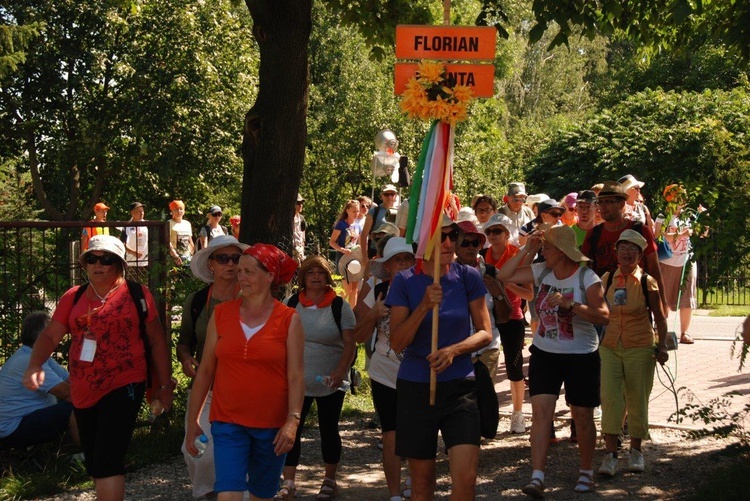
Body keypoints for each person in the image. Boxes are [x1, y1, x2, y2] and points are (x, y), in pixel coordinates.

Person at [23, 235, 173, 500]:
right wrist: (35, 364)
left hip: (125, 382)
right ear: (85, 264)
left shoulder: (137, 294)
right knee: (94, 461)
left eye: (107, 260)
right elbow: (49, 336)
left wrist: (163, 386)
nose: (98, 265)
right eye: (92, 259)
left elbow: (158, 340)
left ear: (119, 264)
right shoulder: (74, 296)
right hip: (83, 390)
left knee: (107, 462)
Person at [495, 225, 609, 497]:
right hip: (545, 353)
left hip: (581, 355)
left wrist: (572, 306)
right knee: (541, 413)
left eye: (546, 247)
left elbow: (604, 315)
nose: (543, 251)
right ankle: (537, 475)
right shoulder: (542, 269)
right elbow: (503, 274)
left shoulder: (587, 277)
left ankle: (586, 472)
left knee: (582, 415)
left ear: (562, 252)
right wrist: (527, 249)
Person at [185, 244, 303, 501]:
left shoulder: (288, 319)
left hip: (271, 427)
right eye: (240, 272)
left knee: (261, 494)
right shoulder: (221, 314)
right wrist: (192, 420)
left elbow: (295, 376)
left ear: (269, 275)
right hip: (227, 421)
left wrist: (292, 422)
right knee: (227, 492)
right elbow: (205, 370)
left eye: (249, 272)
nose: (241, 277)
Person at [387, 215, 492, 500]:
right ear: (424, 242)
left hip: (460, 387)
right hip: (416, 387)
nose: (449, 242)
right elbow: (397, 342)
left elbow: (485, 333)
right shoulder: (405, 282)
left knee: (467, 479)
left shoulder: (467, 276)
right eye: (441, 236)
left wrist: (454, 350)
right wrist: (423, 306)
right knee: (422, 484)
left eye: (452, 236)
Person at [276, 255, 356, 501]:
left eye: (321, 272)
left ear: (328, 277)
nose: (316, 276)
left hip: (331, 382)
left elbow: (350, 344)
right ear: (303, 277)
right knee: (292, 429)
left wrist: (340, 372)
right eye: (311, 272)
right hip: (296, 381)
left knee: (329, 429)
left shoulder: (339, 306)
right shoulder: (290, 303)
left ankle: (329, 480)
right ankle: (288, 482)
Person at [176, 235, 248, 500]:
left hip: (245, 389)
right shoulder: (196, 301)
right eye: (223, 258)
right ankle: (209, 494)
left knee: (240, 454)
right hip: (206, 389)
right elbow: (184, 343)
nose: (230, 264)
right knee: (198, 452)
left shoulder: (253, 298)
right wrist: (185, 360)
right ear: (211, 265)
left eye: (236, 258)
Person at [598, 230, 669, 477]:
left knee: (637, 397)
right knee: (610, 398)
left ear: (639, 255)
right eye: (623, 248)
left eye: (632, 249)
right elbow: (599, 310)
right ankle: (610, 455)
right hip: (609, 346)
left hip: (640, 345)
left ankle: (636, 451)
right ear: (616, 253)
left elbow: (659, 316)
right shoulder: (606, 278)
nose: (627, 253)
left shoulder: (648, 281)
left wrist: (662, 346)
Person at [352, 237, 415, 500]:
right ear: (387, 266)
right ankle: (394, 494)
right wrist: (373, 314)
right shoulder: (378, 291)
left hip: (417, 372)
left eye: (406, 259)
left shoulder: (425, 288)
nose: (402, 264)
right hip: (384, 372)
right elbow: (357, 334)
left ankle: (414, 480)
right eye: (396, 260)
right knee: (391, 434)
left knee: (416, 431)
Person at [470, 215, 533, 433]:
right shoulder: (482, 256)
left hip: (513, 317)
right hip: (489, 316)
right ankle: (487, 412)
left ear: (507, 233)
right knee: (487, 366)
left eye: (498, 231)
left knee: (514, 368)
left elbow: (529, 294)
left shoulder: (516, 255)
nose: (493, 235)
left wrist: (504, 283)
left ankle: (518, 414)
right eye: (489, 232)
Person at [581, 181, 667, 309]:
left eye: (608, 202)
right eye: (601, 202)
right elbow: (584, 269)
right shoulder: (593, 234)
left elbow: (654, 267)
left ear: (621, 204)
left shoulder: (640, 230)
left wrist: (661, 302)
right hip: (603, 303)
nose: (603, 207)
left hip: (637, 301)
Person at [0, 312, 79, 449]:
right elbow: (68, 394)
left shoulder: (37, 354)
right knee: (75, 407)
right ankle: (88, 454)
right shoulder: (28, 360)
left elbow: (69, 381)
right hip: (13, 429)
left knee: (79, 402)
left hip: (25, 418)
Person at [660, 206, 699, 344]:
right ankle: (661, 331)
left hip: (687, 261)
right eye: (677, 197)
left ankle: (685, 332)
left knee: (687, 296)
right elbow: (659, 235)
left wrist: (704, 220)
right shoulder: (663, 216)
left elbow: (702, 233)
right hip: (667, 261)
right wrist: (681, 234)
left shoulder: (689, 216)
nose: (681, 202)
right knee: (663, 296)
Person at [329, 199, 361, 308]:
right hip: (344, 258)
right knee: (348, 290)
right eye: (354, 211)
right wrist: (342, 249)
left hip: (355, 259)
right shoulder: (341, 225)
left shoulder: (358, 225)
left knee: (355, 290)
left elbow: (360, 242)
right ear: (347, 210)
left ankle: (353, 315)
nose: (356, 214)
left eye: (357, 211)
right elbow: (332, 242)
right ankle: (334, 307)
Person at [361, 185, 400, 261]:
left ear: (396, 196)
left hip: (394, 251)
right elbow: (364, 234)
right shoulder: (374, 211)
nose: (389, 197)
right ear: (381, 196)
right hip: (375, 251)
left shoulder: (400, 212)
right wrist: (364, 256)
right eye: (386, 194)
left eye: (392, 194)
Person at [120, 201, 149, 282]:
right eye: (139, 211)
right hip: (131, 263)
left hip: (145, 263)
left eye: (142, 211)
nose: (142, 213)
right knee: (131, 286)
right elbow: (122, 243)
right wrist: (134, 252)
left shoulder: (148, 225)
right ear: (132, 213)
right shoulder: (126, 227)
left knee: (144, 286)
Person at [169, 200, 195, 266]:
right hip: (173, 256)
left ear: (184, 211)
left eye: (181, 209)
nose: (179, 211)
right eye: (176, 209)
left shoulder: (187, 224)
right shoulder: (169, 223)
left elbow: (190, 240)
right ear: (172, 211)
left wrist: (192, 253)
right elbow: (167, 241)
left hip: (187, 256)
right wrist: (175, 255)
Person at [293, 194, 307, 262]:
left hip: (300, 250)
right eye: (298, 203)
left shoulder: (301, 218)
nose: (301, 205)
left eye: (302, 203)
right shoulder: (287, 219)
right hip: (291, 249)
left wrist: (302, 248)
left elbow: (303, 235)